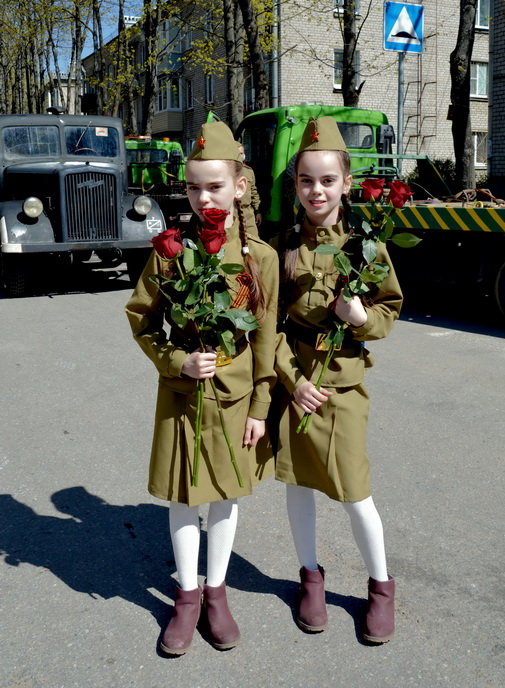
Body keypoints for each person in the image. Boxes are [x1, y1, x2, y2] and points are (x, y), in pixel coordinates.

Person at [125, 121, 278, 655]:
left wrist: (261, 405)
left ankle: (217, 593)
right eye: (193, 187)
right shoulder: (170, 251)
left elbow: (265, 337)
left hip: (236, 398)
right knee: (183, 496)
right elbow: (142, 320)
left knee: (227, 494)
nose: (202, 197)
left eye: (214, 186)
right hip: (183, 393)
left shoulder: (261, 259)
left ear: (239, 187)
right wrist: (176, 361)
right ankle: (187, 597)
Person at [272, 116, 403, 644]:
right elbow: (268, 327)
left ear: (346, 182)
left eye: (327, 180)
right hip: (298, 385)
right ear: (295, 185)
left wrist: (359, 318)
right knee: (298, 484)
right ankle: (311, 580)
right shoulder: (281, 249)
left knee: (354, 491)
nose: (316, 190)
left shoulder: (364, 247)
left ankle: (380, 587)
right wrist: (292, 379)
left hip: (343, 386)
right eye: (306, 180)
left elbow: (389, 310)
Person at [238, 143, 262, 235]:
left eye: (242, 153)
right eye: (239, 153)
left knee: (254, 241)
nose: (241, 156)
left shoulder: (248, 171)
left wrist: (257, 211)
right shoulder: (226, 171)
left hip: (248, 214)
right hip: (233, 213)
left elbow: (253, 192)